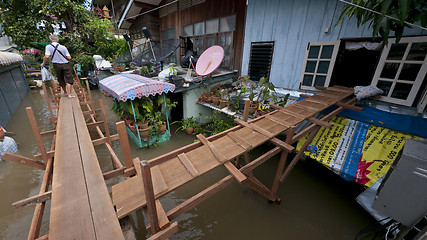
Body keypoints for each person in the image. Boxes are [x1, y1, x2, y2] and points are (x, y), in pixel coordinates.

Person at [41, 34, 75, 99]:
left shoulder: (48, 47)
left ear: (50, 39)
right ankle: (70, 94)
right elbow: (69, 57)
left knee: (60, 78)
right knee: (69, 79)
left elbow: (47, 56)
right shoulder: (63, 47)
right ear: (58, 40)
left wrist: (43, 64)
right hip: (65, 64)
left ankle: (65, 92)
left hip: (56, 65)